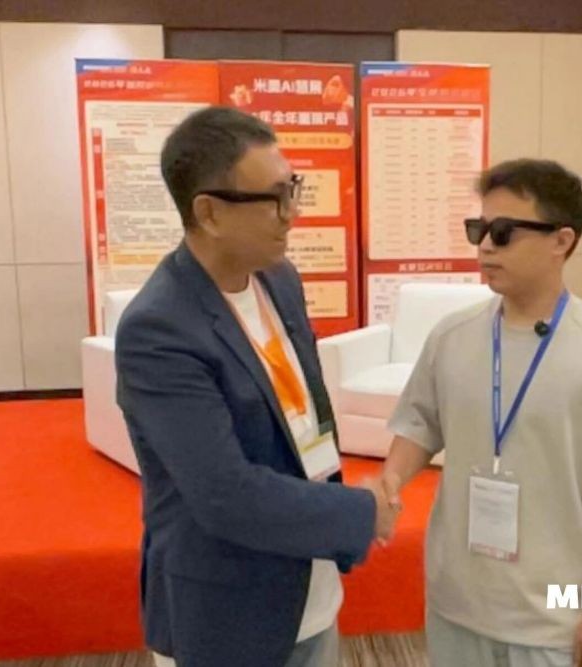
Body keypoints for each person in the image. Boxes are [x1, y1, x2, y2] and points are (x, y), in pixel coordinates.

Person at [115, 107, 398, 667]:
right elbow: (224, 494)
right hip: (227, 610)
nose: (292, 213)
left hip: (310, 586)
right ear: (209, 213)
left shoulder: (278, 278)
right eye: (273, 198)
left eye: (293, 189)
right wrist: (359, 512)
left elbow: (301, 416)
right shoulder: (159, 329)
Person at [380, 159, 582, 667]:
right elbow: (419, 424)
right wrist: (390, 481)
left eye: (503, 232)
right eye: (479, 230)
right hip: (456, 604)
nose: (485, 247)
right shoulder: (452, 336)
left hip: (554, 621)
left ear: (561, 241)